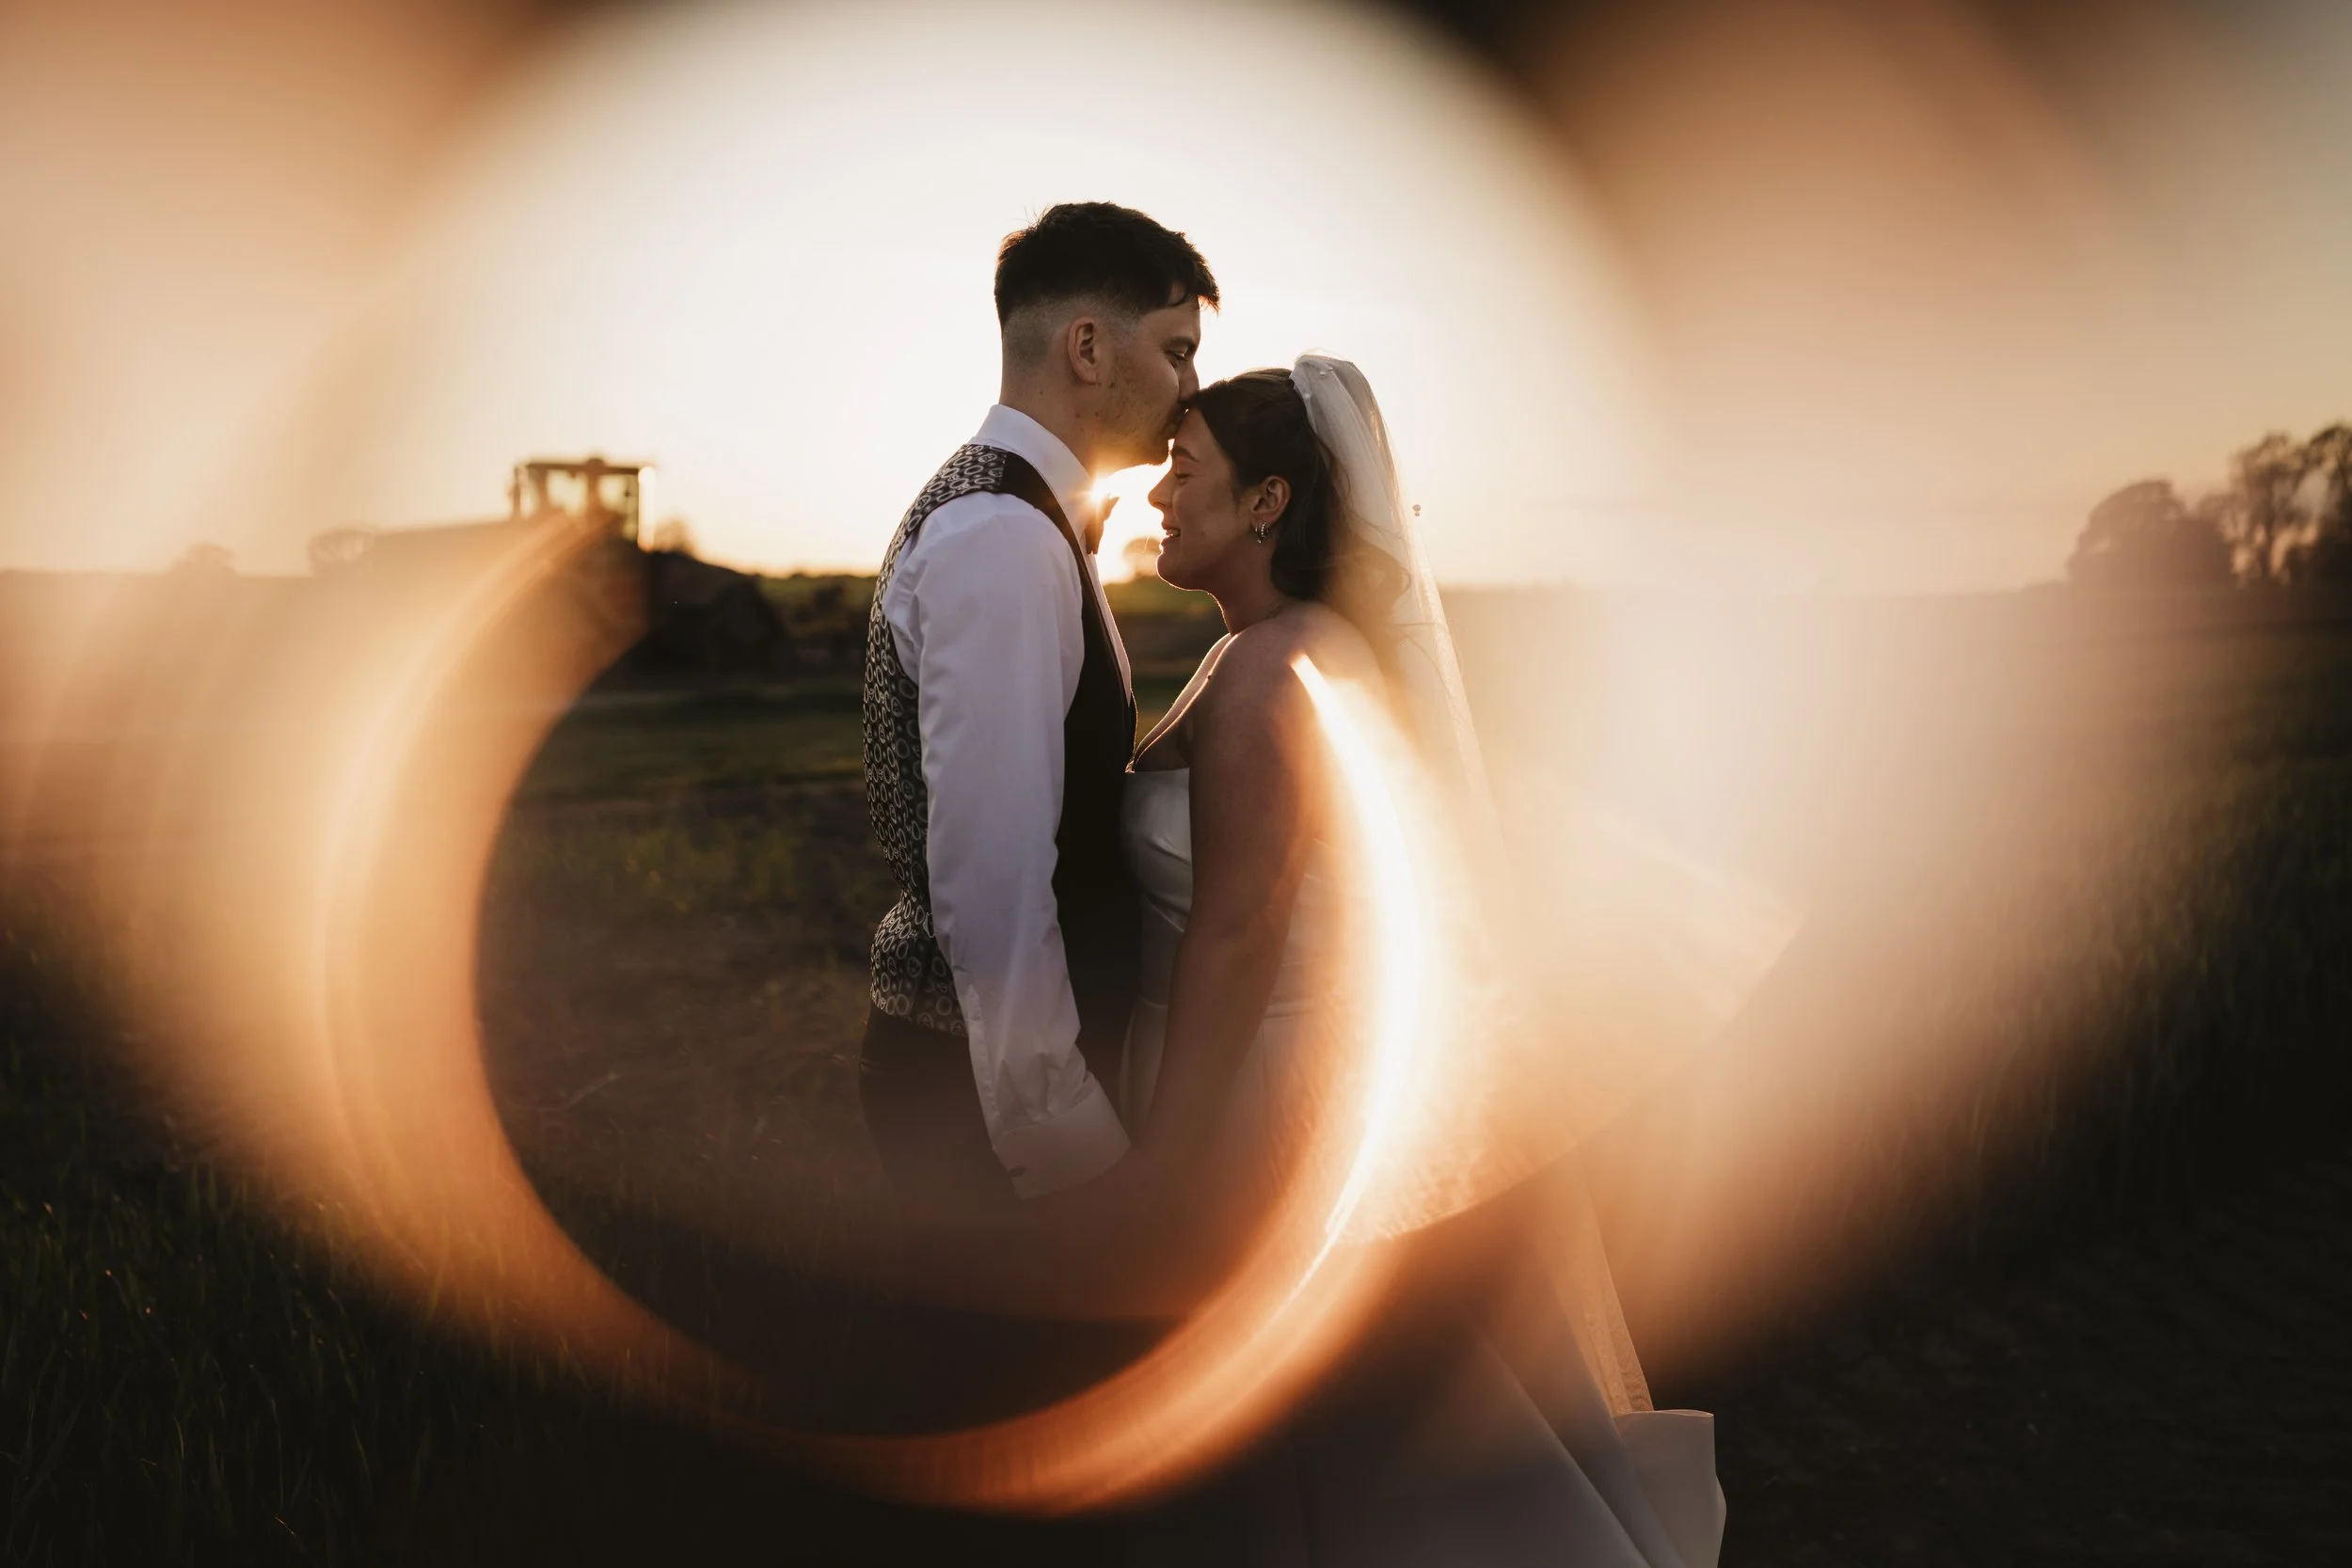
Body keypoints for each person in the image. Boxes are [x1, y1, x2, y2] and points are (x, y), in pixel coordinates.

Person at [1115, 358, 1728, 1566]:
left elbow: (1237, 932)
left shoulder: (1260, 674)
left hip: (1250, 1109)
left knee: (1320, 1453)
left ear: (1267, 502)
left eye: (1183, 474)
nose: (1154, 499)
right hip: (1314, 1086)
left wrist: (1166, 1164)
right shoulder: (1300, 644)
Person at [858, 202, 1216, 1213]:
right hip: (979, 1103)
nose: (1192, 390)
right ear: (1089, 347)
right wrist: (1067, 1145)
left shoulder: (1018, 519)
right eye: (1178, 350)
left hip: (980, 1080)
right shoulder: (1001, 540)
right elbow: (994, 882)